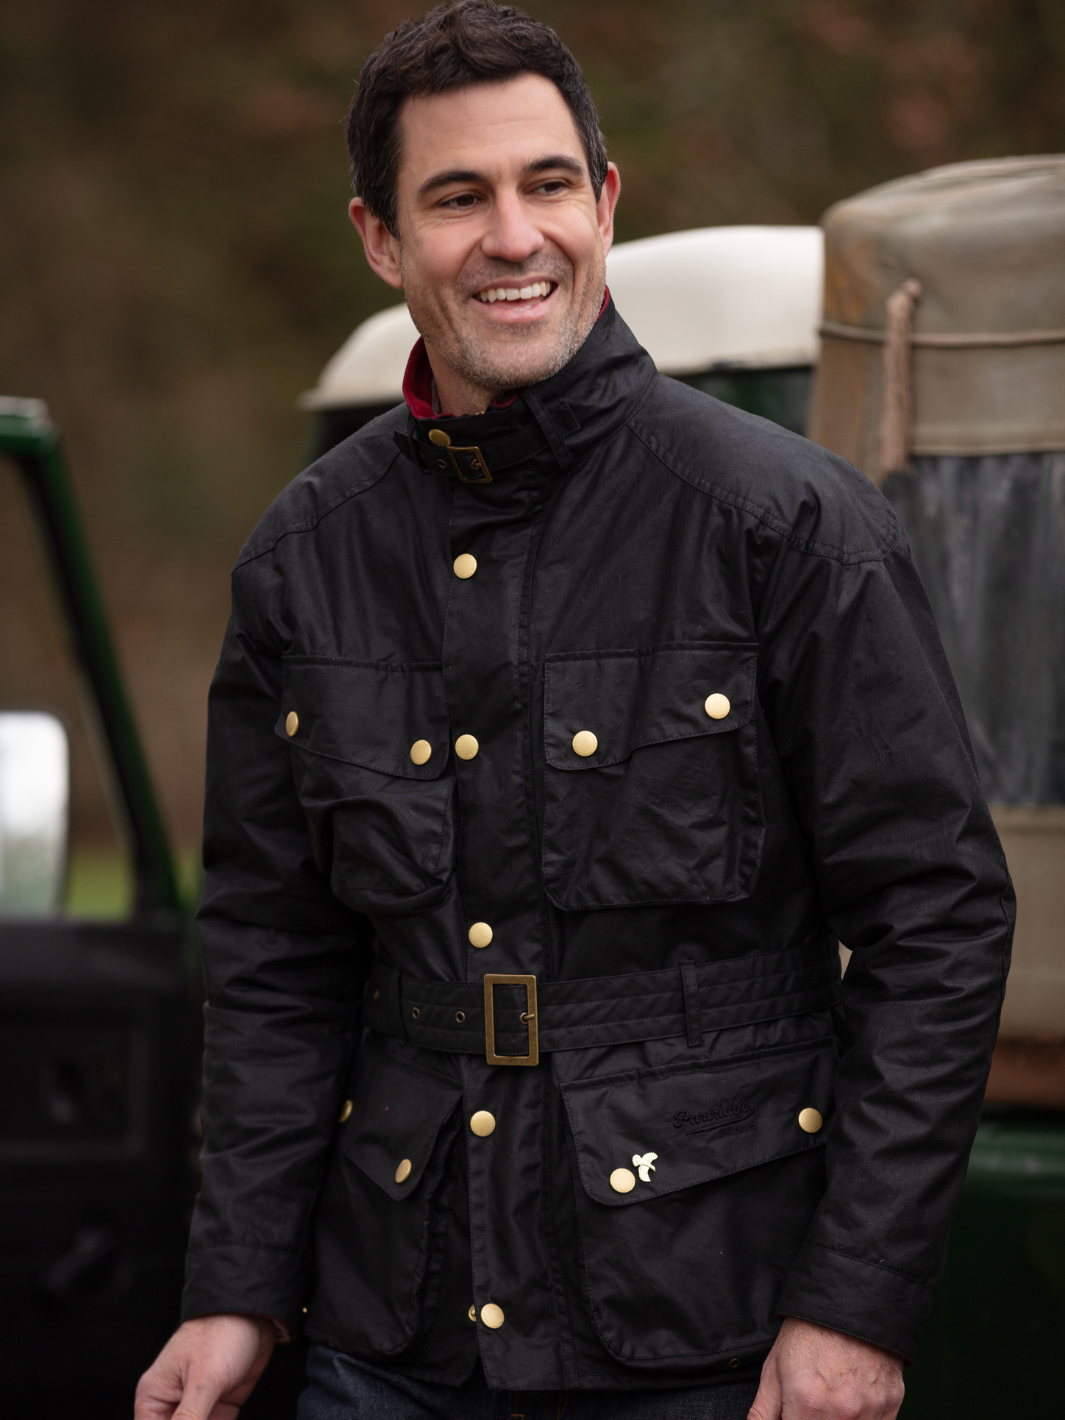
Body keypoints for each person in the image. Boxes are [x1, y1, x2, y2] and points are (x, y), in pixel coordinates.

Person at [135, 4, 1014, 1418]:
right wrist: (235, 1286)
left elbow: (938, 924)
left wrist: (854, 1306)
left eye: (547, 184)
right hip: (391, 1339)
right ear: (380, 238)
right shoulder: (303, 559)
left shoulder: (788, 526)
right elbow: (275, 961)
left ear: (604, 203)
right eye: (456, 198)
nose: (513, 236)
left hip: (707, 1334)